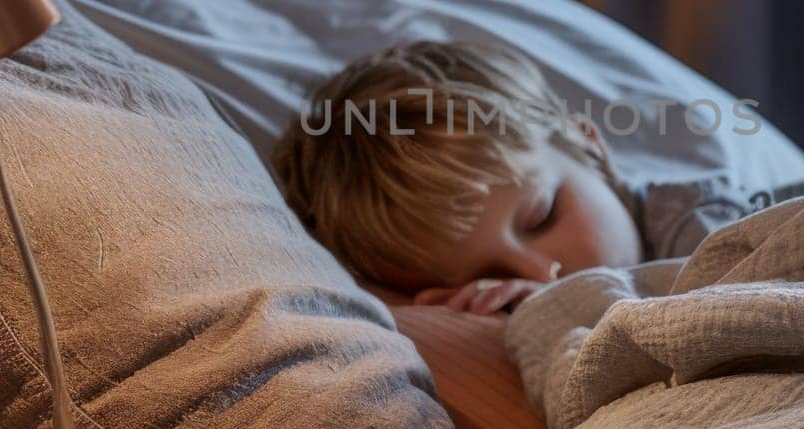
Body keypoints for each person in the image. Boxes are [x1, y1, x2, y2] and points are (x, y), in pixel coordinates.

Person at [273, 40, 650, 313]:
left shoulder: (703, 225)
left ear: (589, 145)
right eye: (490, 276)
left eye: (543, 216)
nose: (544, 276)